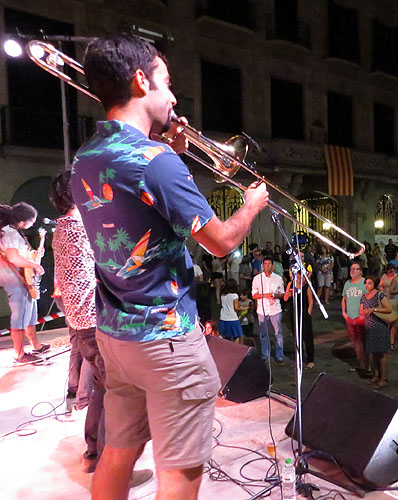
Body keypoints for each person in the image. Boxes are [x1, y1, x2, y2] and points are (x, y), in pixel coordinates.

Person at [72, 34, 268, 500]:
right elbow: (220, 241)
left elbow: (138, 205)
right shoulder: (155, 161)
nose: (174, 97)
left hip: (117, 335)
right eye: (167, 82)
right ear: (141, 81)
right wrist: (251, 206)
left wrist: (171, 155)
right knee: (179, 471)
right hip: (167, 342)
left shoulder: (86, 157)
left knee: (118, 452)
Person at [50, 170, 108, 474]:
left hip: (79, 321)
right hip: (95, 321)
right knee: (116, 392)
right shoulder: (82, 228)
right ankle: (110, 464)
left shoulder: (61, 228)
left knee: (102, 387)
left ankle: (92, 451)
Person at [0, 202, 49, 365]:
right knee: (20, 316)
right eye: (31, 222)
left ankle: (35, 346)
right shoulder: (10, 233)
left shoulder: (13, 232)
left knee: (29, 313)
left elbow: (21, 255)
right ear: (22, 221)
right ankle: (20, 354)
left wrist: (34, 255)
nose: (31, 225)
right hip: (15, 279)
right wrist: (34, 265)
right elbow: (14, 258)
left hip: (21, 278)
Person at [360, 276, 393, 388]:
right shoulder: (364, 296)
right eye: (366, 283)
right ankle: (376, 375)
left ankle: (384, 378)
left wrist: (374, 309)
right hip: (369, 327)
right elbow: (361, 310)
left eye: (370, 283)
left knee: (381, 353)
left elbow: (389, 309)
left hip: (379, 326)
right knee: (373, 352)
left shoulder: (380, 295)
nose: (367, 285)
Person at [252, 256, 286, 363]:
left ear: (273, 266)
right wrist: (265, 295)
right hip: (262, 310)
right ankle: (265, 354)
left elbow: (282, 294)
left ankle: (279, 355)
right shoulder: (257, 279)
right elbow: (254, 295)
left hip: (275, 309)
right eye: (265, 264)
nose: (267, 266)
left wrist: (275, 295)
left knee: (278, 333)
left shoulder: (278, 278)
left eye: (269, 264)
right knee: (263, 333)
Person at [284, 267, 315, 368]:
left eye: (301, 274)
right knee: (297, 336)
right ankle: (299, 359)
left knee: (307, 336)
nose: (299, 276)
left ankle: (310, 359)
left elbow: (311, 301)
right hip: (294, 312)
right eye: (297, 274)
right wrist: (289, 292)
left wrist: (308, 312)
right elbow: (285, 298)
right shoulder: (291, 284)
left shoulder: (307, 286)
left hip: (304, 312)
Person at [341, 262, 368, 373]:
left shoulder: (365, 283)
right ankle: (360, 363)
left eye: (356, 269)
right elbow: (344, 299)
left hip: (362, 317)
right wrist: (344, 312)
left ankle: (366, 364)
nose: (353, 271)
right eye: (351, 269)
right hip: (350, 317)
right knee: (355, 341)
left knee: (363, 340)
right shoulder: (347, 284)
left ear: (361, 271)